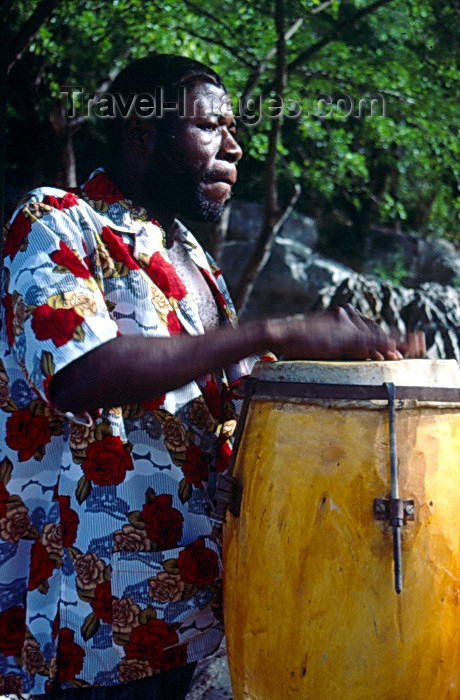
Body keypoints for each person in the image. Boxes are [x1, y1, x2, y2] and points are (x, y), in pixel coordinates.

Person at [0, 54, 408, 700]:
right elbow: (79, 372)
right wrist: (273, 329)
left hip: (196, 622)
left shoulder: (191, 256)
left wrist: (337, 365)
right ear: (143, 134)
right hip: (89, 633)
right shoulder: (56, 222)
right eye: (212, 126)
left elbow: (229, 399)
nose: (235, 146)